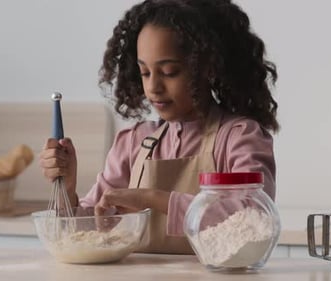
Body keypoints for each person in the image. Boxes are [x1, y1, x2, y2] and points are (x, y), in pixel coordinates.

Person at [39, 0, 279, 254]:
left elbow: (252, 215)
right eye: (145, 72)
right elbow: (87, 230)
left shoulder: (239, 137)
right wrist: (67, 190)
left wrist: (152, 199)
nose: (153, 87)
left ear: (207, 68)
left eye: (169, 71)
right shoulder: (134, 142)